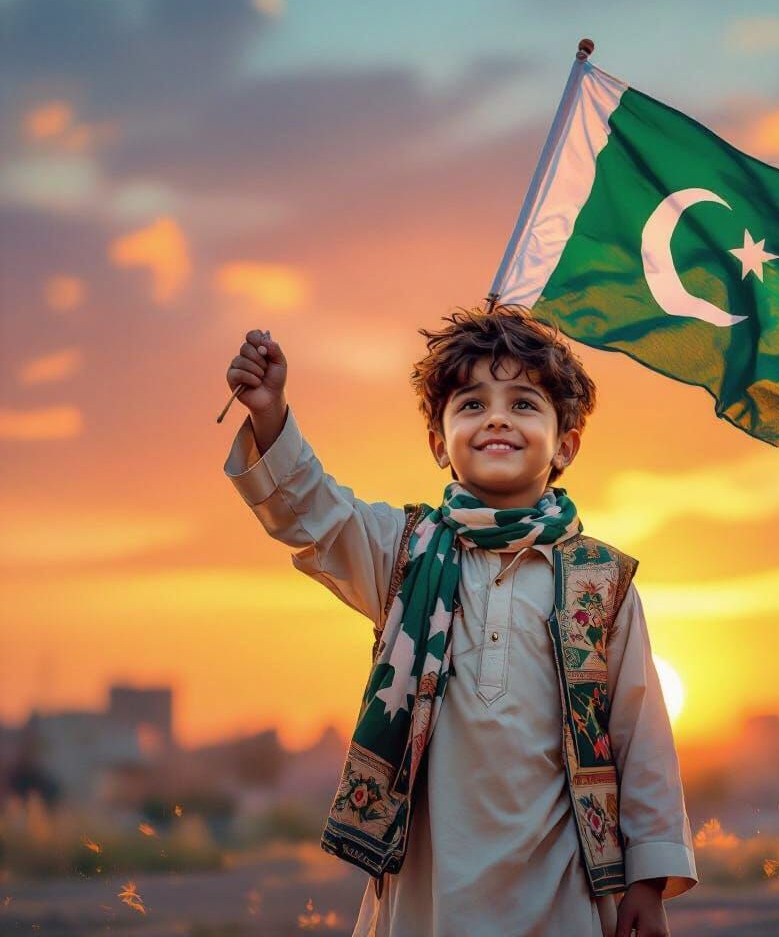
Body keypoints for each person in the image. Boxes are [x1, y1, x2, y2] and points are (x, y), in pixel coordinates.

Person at [222, 304, 699, 937]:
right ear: (437, 443)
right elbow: (317, 515)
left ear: (566, 444)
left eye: (524, 403)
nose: (497, 417)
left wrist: (648, 880)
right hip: (429, 889)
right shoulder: (402, 551)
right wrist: (269, 413)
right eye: (472, 404)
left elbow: (642, 736)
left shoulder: (601, 581)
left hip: (562, 888)